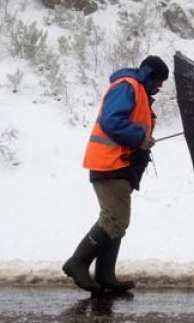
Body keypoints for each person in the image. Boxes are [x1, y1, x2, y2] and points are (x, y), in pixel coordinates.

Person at [62, 55, 170, 294]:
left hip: (120, 164)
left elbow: (130, 124)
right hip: (109, 163)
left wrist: (143, 139)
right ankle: (77, 262)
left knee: (115, 221)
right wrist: (140, 137)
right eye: (158, 81)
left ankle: (105, 275)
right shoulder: (127, 87)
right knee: (116, 220)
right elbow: (112, 121)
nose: (160, 87)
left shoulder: (139, 90)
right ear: (147, 74)